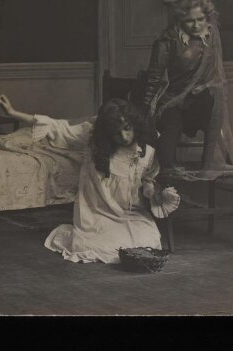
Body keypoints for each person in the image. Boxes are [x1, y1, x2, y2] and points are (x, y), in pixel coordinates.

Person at [40, 98, 162, 264]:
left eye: (127, 129)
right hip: (98, 213)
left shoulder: (145, 152)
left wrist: (149, 189)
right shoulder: (94, 146)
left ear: (135, 125)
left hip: (132, 213)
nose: (124, 137)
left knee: (148, 241)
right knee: (98, 246)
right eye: (116, 133)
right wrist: (14, 113)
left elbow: (148, 178)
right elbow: (60, 128)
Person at [142, 0, 233, 173]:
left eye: (200, 19)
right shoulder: (168, 40)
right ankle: (164, 187)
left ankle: (208, 163)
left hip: (199, 104)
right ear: (180, 19)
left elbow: (216, 74)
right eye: (189, 20)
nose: (196, 25)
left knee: (216, 95)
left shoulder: (211, 34)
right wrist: (146, 113)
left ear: (207, 17)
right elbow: (153, 79)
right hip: (172, 102)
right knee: (166, 163)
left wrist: (205, 86)